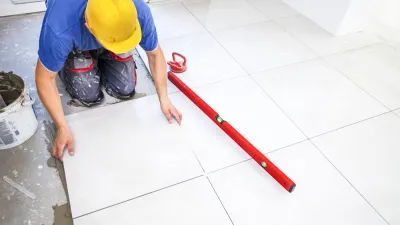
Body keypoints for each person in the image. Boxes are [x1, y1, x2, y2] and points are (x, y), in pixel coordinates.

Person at [35, 0, 182, 160]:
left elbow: (154, 54)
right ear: (88, 26)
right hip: (76, 35)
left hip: (106, 29)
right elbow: (45, 78)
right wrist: (62, 127)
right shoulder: (60, 25)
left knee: (125, 88)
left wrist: (164, 99)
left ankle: (110, 49)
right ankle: (75, 55)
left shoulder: (137, 10)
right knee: (87, 93)